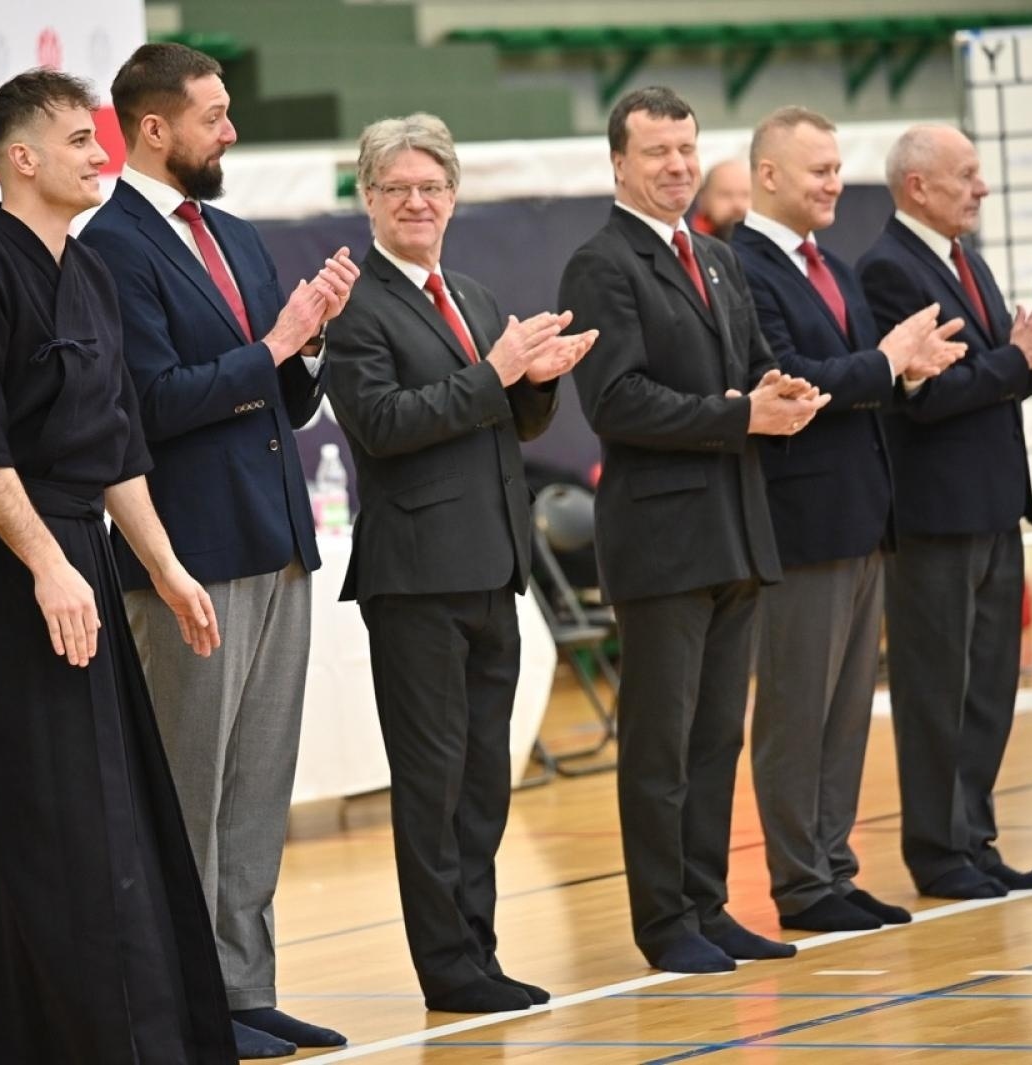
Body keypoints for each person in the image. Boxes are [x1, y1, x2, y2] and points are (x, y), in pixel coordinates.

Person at [0, 70, 235, 1063]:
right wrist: (50, 568)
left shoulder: (87, 271)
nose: (102, 156)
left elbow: (119, 449)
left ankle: (143, 1034)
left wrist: (167, 569)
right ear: (23, 158)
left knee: (116, 810)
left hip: (80, 553)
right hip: (13, 572)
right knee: (48, 820)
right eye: (82, 142)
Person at [78, 42, 357, 1059]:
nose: (230, 130)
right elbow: (147, 407)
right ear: (155, 129)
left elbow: (277, 395)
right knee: (192, 792)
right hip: (187, 553)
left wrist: (309, 342)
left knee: (254, 793)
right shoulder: (108, 247)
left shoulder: (235, 235)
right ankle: (189, 1000)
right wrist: (277, 344)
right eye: (212, 115)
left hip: (277, 539)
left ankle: (245, 989)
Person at [325, 112, 595, 1013]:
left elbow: (511, 423)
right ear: (368, 198)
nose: (416, 202)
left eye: (431, 187)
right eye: (397, 188)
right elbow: (386, 426)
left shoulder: (473, 295)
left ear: (453, 197)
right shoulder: (353, 305)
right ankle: (445, 967)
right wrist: (496, 370)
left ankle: (477, 951)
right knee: (433, 782)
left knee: (483, 780)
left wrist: (539, 376)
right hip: (414, 577)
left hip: (492, 566)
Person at [559, 86, 829, 975]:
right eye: (656, 153)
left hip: (736, 530)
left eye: (685, 149)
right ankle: (664, 920)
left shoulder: (716, 259)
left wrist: (784, 396)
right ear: (617, 163)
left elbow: (753, 370)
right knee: (660, 745)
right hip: (663, 542)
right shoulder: (602, 263)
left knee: (716, 738)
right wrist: (739, 412)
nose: (676, 166)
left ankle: (708, 903)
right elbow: (617, 399)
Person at [731, 107, 964, 932]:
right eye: (817, 169)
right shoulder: (745, 265)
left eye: (836, 168)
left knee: (846, 711)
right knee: (797, 711)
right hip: (801, 520)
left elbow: (861, 375)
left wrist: (904, 370)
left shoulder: (827, 261)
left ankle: (834, 863)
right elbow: (790, 378)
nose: (834, 182)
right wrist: (888, 363)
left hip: (864, 515)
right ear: (767, 176)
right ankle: (798, 881)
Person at [856, 124, 1032, 896]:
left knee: (989, 686)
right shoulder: (888, 268)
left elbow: (995, 380)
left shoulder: (969, 260)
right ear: (917, 185)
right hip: (934, 514)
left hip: (993, 505)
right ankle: (936, 849)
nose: (981, 188)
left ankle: (974, 836)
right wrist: (1018, 355)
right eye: (966, 175)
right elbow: (926, 398)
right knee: (936, 689)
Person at [691, 158, 751, 240]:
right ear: (703, 199)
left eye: (746, 195)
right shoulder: (686, 245)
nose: (737, 204)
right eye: (726, 194)